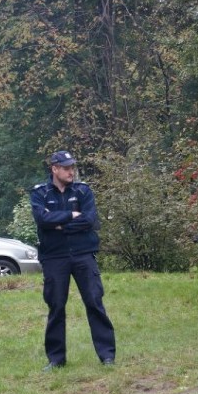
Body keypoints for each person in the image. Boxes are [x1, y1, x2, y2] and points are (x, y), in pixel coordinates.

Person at [30, 150, 116, 371]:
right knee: (56, 306)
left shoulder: (82, 190)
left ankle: (107, 356)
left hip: (83, 254)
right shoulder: (40, 193)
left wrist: (58, 224)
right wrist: (70, 215)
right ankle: (56, 359)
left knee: (95, 302)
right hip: (54, 257)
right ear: (54, 169)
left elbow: (89, 220)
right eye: (66, 168)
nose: (71, 171)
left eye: (72, 167)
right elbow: (42, 219)